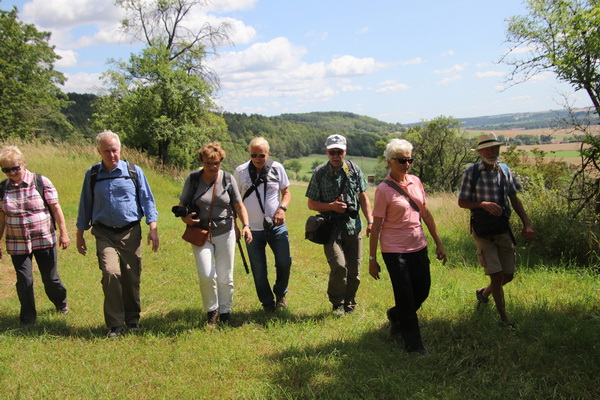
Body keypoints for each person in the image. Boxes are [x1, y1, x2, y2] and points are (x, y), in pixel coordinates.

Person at [76, 131, 159, 338]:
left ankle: (132, 319)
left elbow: (147, 200)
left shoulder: (133, 171)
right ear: (99, 151)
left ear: (120, 149)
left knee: (131, 276)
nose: (112, 155)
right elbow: (85, 204)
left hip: (130, 232)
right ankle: (115, 324)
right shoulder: (93, 174)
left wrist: (153, 228)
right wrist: (79, 234)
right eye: (107, 151)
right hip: (104, 232)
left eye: (114, 150)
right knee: (111, 273)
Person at [368, 139, 446, 355]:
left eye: (409, 159)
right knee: (406, 296)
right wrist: (372, 260)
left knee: (423, 289)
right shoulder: (383, 190)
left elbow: (426, 213)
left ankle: (395, 315)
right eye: (402, 160)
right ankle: (414, 345)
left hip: (418, 245)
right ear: (389, 162)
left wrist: (438, 242)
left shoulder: (416, 182)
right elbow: (376, 228)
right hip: (395, 251)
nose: (407, 164)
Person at [458, 132, 535, 327]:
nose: (492, 151)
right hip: (483, 231)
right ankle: (504, 319)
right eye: (487, 148)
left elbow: (514, 198)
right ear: (480, 151)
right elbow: (462, 202)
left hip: (502, 228)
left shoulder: (505, 170)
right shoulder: (471, 172)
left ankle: (483, 294)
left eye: (495, 147)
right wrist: (482, 204)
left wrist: (527, 223)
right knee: (497, 275)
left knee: (508, 275)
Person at [177, 142, 252, 328]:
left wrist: (246, 225)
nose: (212, 167)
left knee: (225, 276)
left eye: (216, 163)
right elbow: (181, 205)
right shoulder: (193, 179)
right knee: (206, 274)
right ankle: (212, 311)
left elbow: (238, 205)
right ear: (202, 161)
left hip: (225, 232)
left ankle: (226, 313)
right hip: (201, 233)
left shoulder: (227, 179)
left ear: (221, 161)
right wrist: (185, 219)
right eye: (208, 163)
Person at [0, 146, 70, 325]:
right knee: (24, 279)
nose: (11, 172)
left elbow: (55, 208)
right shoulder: (2, 189)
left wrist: (64, 233)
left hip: (44, 238)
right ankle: (28, 318)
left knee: (51, 279)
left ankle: (60, 303)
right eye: (6, 170)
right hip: (17, 242)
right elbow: (1, 219)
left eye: (15, 168)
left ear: (23, 164)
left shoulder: (40, 181)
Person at [306, 134, 373, 316]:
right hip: (330, 228)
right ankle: (337, 303)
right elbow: (311, 203)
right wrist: (332, 207)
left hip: (353, 226)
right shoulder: (319, 173)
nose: (336, 156)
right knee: (339, 266)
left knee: (354, 270)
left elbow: (363, 197)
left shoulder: (354, 170)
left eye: (339, 152)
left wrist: (371, 220)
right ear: (326, 152)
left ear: (345, 151)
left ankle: (349, 304)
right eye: (332, 152)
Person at [234, 137, 292, 313]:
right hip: (251, 229)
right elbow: (233, 199)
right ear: (250, 154)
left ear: (268, 153)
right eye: (254, 155)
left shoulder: (277, 168)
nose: (258, 158)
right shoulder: (241, 171)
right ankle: (267, 303)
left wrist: (282, 209)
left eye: (262, 155)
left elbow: (287, 192)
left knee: (284, 262)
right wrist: (236, 225)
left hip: (276, 226)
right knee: (259, 269)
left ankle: (280, 294)